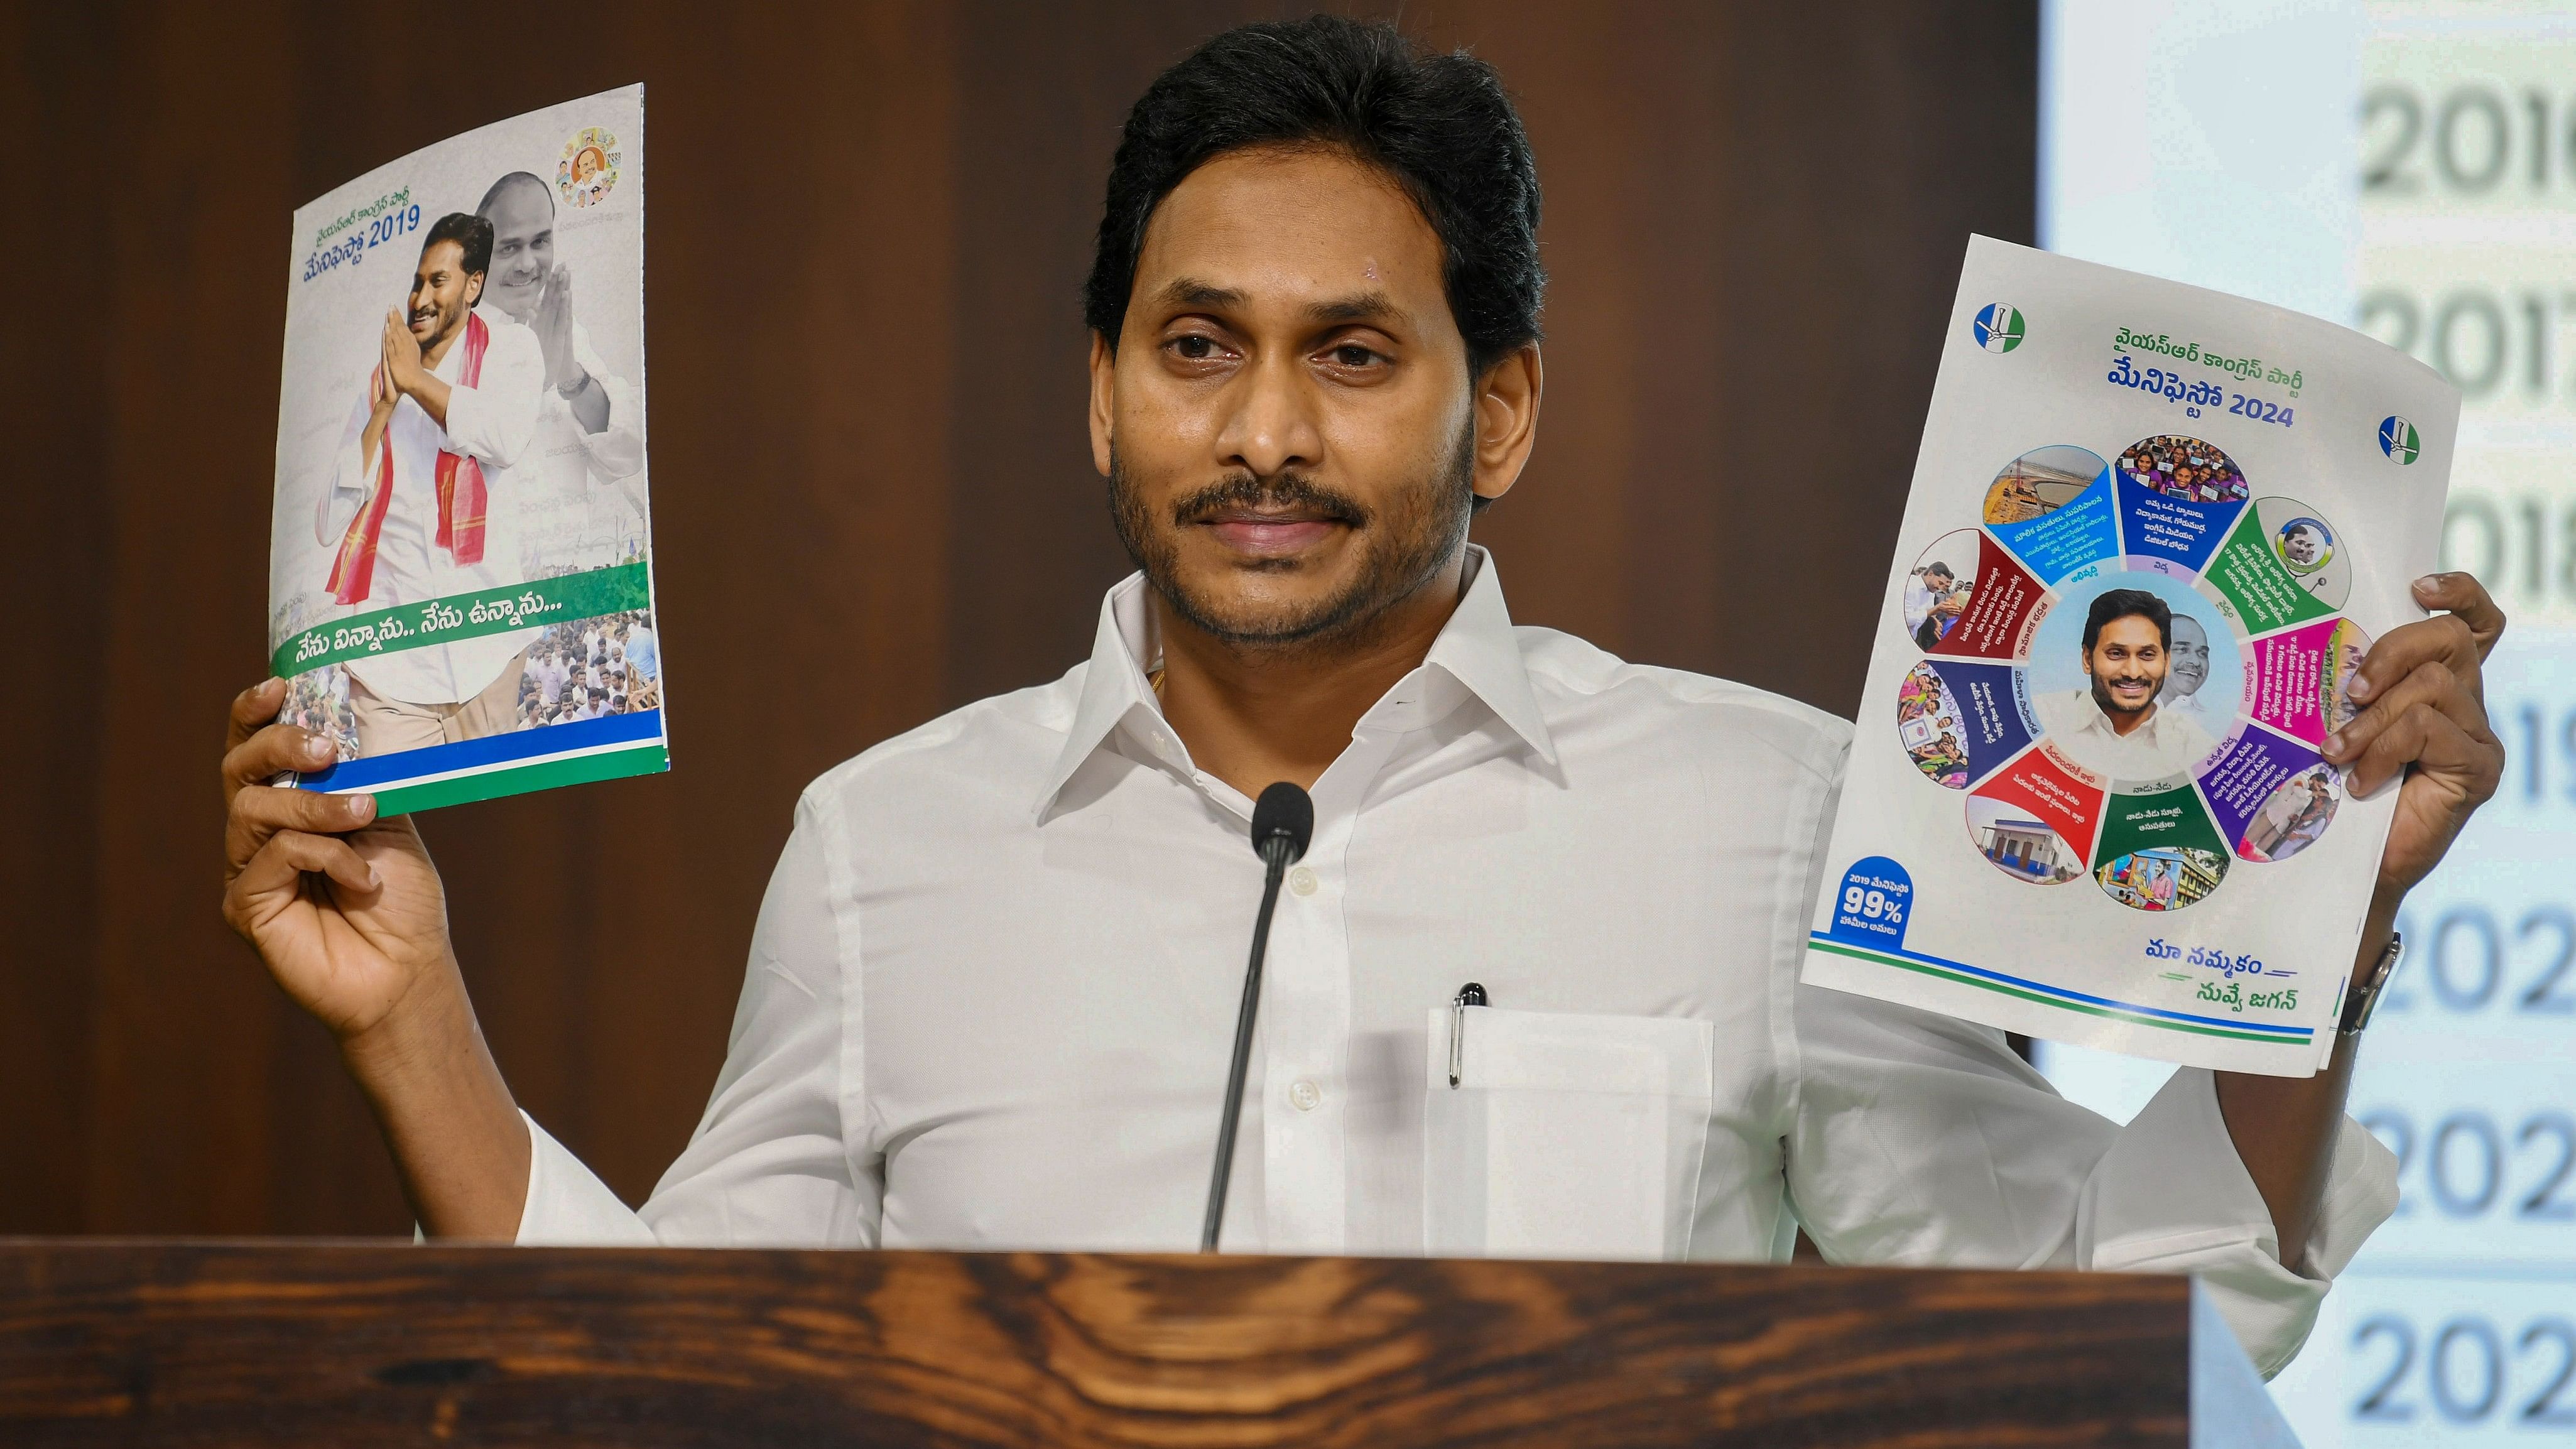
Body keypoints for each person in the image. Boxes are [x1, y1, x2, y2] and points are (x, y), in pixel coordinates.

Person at [220, 16, 2508, 1379]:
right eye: (1194, 346)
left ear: (1493, 411)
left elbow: (2130, 1304)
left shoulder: (1766, 808)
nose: (1262, 434)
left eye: (1351, 354)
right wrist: (417, 1021)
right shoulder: (880, 844)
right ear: (1099, 398)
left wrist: (2314, 934)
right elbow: (661, 1379)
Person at [313, 214, 546, 755]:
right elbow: (327, 524)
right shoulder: (379, 386)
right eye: (417, 281)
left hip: (487, 658)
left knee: (488, 830)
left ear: (473, 286)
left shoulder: (512, 351)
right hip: (391, 677)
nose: (420, 296)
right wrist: (385, 406)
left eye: (437, 281)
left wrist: (416, 380)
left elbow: (503, 438)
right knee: (390, 832)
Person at [474, 172, 645, 543]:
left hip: (570, 573)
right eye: (508, 248)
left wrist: (571, 376)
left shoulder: (562, 323)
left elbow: (627, 456)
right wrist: (534, 381)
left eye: (540, 242)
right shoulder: (450, 342)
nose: (527, 264)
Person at [2035, 590, 2221, 779]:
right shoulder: (2040, 720)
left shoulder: (2197, 750)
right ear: (2087, 659)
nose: (2133, 673)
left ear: (2166, 662)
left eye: (2147, 655)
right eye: (2116, 653)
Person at [2160, 614, 2221, 726]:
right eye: (2183, 649)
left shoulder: (2213, 723)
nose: (2196, 662)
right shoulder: (2124, 712)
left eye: (2202, 654)